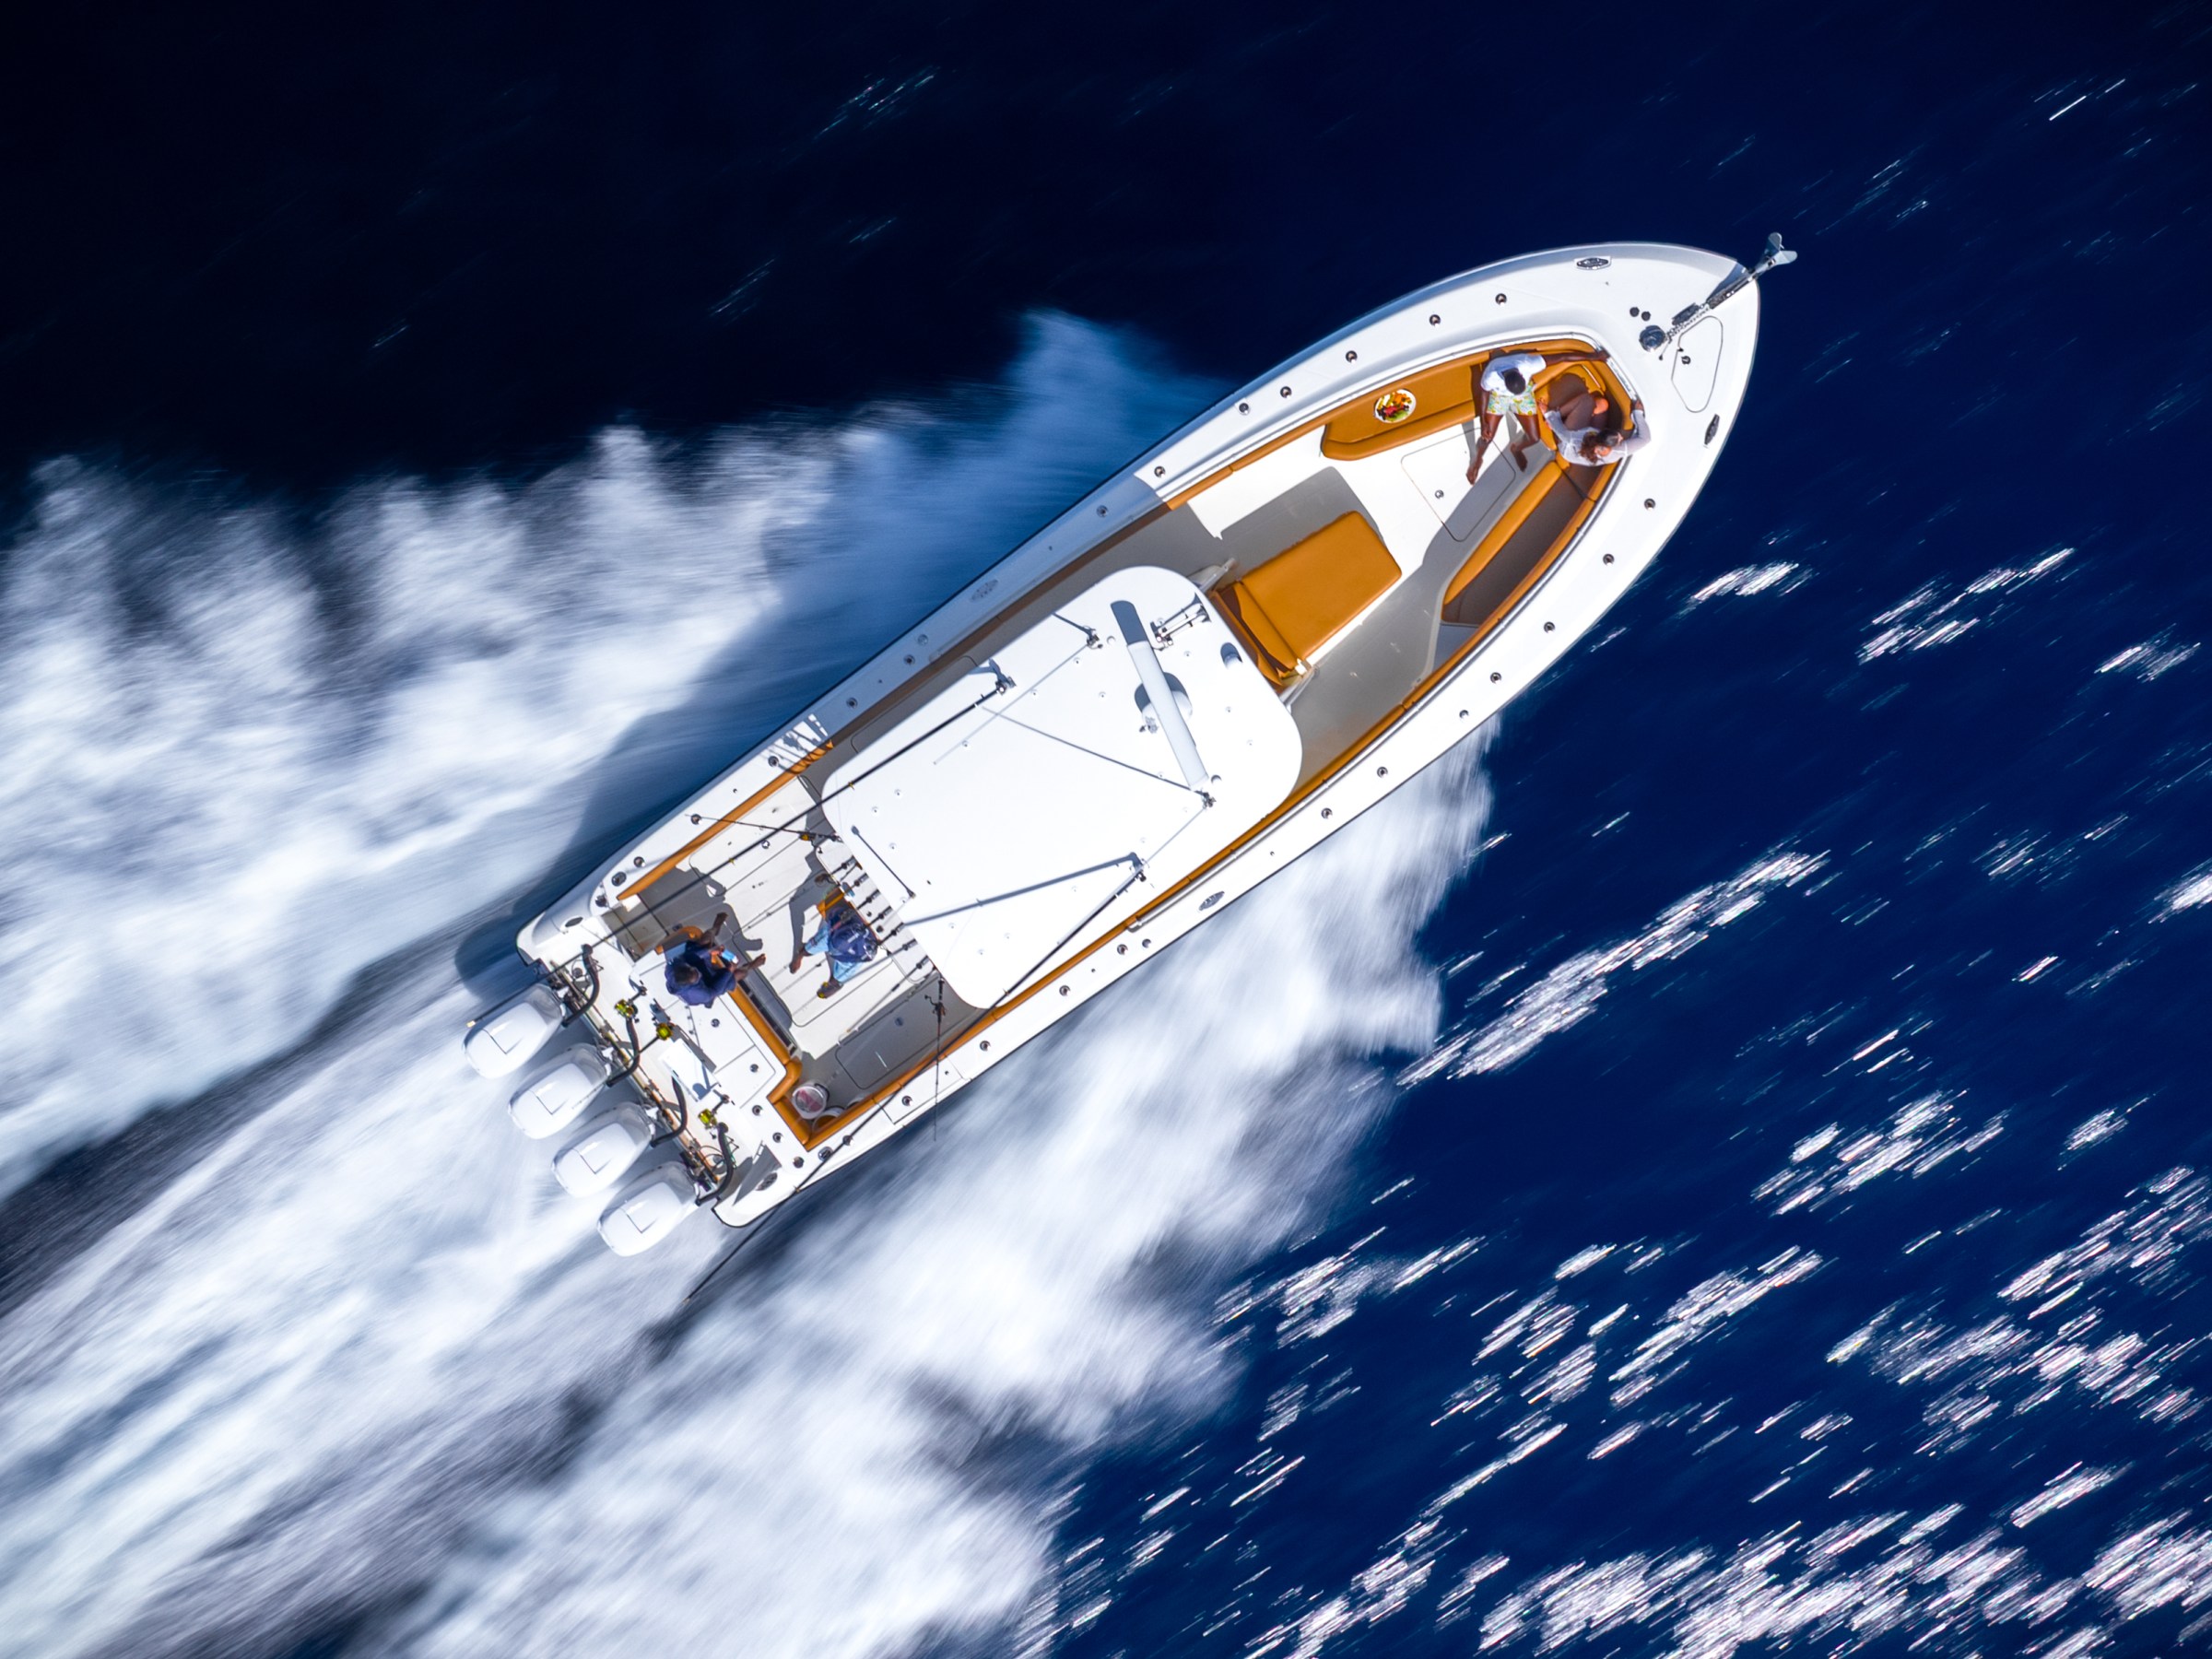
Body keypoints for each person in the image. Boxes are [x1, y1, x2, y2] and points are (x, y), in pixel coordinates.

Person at [1467, 348, 1605, 482]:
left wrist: (1594, 356)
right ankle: (1478, 459)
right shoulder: (1492, 373)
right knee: (1487, 435)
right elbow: (1484, 393)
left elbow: (1563, 356)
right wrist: (1483, 423)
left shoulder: (1526, 363)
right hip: (1500, 396)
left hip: (1523, 395)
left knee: (1534, 437)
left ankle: (1516, 448)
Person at [791, 893, 879, 999]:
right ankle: (801, 955)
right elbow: (837, 983)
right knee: (812, 949)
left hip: (842, 935)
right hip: (842, 938)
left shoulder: (830, 934)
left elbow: (837, 984)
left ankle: (802, 954)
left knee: (818, 944)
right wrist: (799, 956)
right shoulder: (832, 938)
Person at [1547, 392, 1652, 467]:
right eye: (1619, 438)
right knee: (1603, 404)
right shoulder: (1618, 448)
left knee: (1586, 400)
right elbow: (1645, 439)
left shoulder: (1578, 440)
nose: (1622, 437)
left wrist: (1549, 415)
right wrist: (1638, 414)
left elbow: (1563, 434)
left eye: (1619, 440)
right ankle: (1570, 418)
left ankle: (1557, 414)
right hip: (1581, 435)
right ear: (1601, 434)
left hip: (1566, 444)